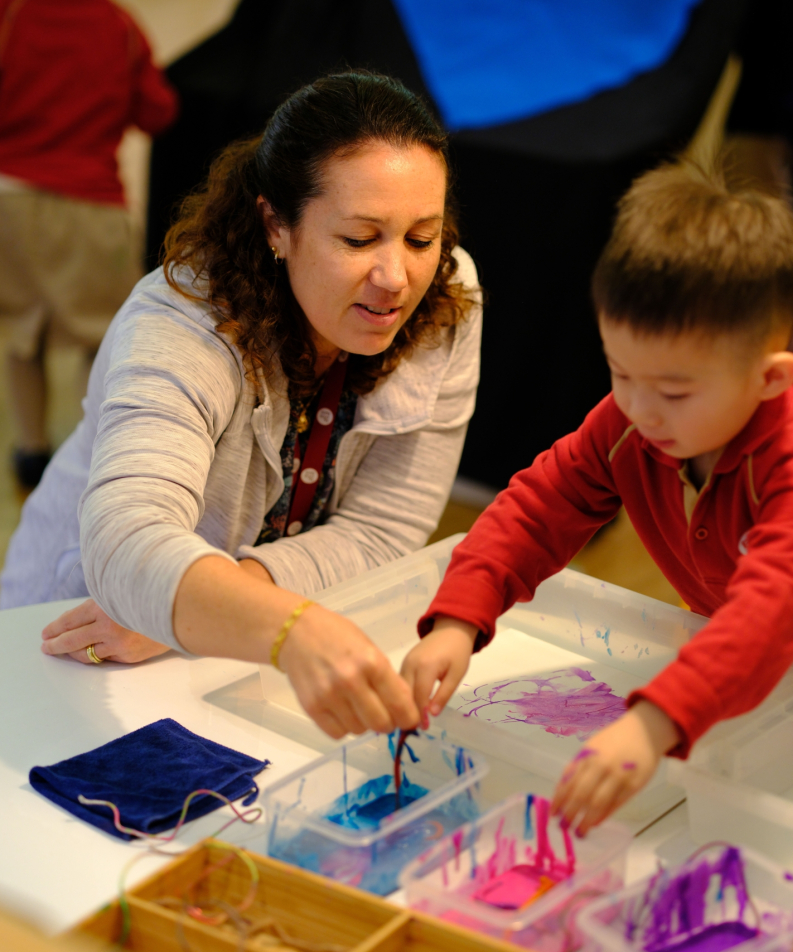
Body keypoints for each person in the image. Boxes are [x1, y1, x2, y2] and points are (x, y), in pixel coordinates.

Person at [400, 161, 793, 835]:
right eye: (620, 371)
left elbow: (766, 615)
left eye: (675, 391)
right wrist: (459, 618)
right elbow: (540, 505)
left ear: (771, 378)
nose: (640, 409)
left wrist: (653, 723)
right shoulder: (630, 419)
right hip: (747, 699)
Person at [1, 72, 482, 741]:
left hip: (227, 650)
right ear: (275, 226)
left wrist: (236, 605)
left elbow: (384, 530)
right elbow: (126, 538)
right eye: (359, 238)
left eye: (422, 238)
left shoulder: (448, 302)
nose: (396, 277)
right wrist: (288, 627)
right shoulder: (181, 324)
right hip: (83, 637)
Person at [0, 0, 179, 487]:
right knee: (100, 338)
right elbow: (157, 111)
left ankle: (30, 455)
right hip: (92, 204)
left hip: (9, 199)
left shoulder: (12, 13)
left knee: (22, 336)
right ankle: (92, 453)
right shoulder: (117, 25)